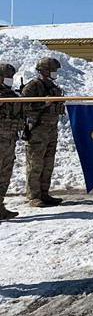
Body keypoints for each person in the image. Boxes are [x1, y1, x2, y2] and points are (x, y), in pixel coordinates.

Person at [21, 57, 65, 207]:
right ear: (44, 71)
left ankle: (44, 193)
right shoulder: (33, 86)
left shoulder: (53, 87)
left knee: (48, 164)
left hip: (51, 130)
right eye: (52, 70)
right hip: (37, 130)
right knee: (35, 164)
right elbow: (23, 105)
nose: (55, 72)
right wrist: (42, 104)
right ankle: (34, 196)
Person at [0, 63, 24, 220]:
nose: (10, 78)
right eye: (6, 76)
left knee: (5, 174)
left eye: (11, 76)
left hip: (9, 140)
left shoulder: (11, 95)